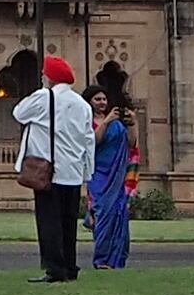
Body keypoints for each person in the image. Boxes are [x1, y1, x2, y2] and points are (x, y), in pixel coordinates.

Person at [16, 53, 95, 283]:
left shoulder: (44, 97)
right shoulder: (82, 104)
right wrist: (87, 172)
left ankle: (54, 268)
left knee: (49, 221)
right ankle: (70, 266)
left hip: (49, 171)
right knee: (68, 222)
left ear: (49, 77)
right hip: (73, 171)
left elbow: (19, 113)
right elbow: (89, 139)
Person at [87, 85, 137, 269]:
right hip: (99, 175)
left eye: (104, 99)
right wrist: (106, 122)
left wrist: (132, 123)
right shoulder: (87, 121)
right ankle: (101, 259)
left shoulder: (118, 124)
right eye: (97, 99)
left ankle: (116, 260)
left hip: (117, 175)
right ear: (90, 102)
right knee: (103, 214)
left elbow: (131, 143)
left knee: (118, 213)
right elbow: (93, 143)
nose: (102, 103)